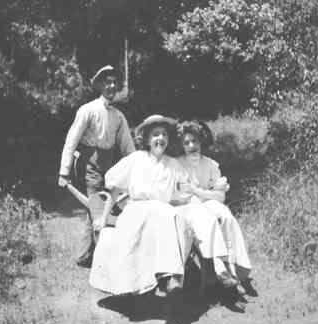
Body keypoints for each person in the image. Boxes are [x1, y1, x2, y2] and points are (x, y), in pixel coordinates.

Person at [89, 115, 194, 297]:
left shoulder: (173, 164)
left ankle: (170, 275)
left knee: (172, 217)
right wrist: (103, 218)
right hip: (137, 208)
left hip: (161, 208)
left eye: (164, 135)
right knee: (142, 226)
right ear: (146, 139)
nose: (160, 138)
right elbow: (115, 189)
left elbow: (184, 193)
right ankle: (136, 284)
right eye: (155, 134)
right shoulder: (136, 159)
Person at [58, 65, 135, 267]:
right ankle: (102, 259)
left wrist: (138, 169)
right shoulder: (88, 110)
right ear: (99, 85)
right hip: (89, 163)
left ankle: (85, 255)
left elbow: (128, 146)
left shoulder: (118, 116)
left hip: (109, 164)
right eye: (107, 82)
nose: (111, 86)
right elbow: (72, 139)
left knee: (99, 206)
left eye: (114, 83)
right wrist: (64, 171)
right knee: (95, 204)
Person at [176, 120, 256, 310]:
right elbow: (183, 195)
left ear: (201, 142)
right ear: (181, 145)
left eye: (194, 141)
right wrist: (205, 193)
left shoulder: (211, 165)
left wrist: (198, 191)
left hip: (207, 202)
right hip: (189, 206)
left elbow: (220, 196)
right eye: (186, 143)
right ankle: (222, 271)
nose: (191, 146)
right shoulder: (178, 164)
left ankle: (238, 270)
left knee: (226, 216)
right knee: (208, 218)